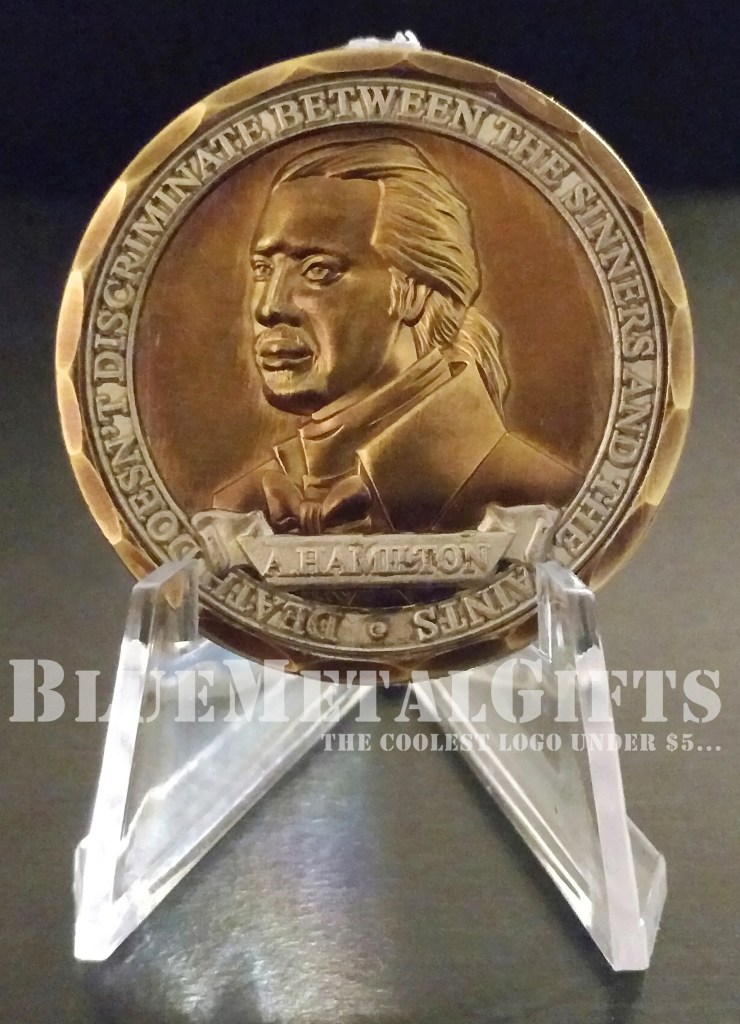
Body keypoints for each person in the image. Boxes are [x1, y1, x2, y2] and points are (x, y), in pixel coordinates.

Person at [213, 137, 579, 534]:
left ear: (414, 291)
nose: (268, 308)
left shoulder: (539, 497)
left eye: (318, 271)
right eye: (263, 269)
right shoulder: (238, 508)